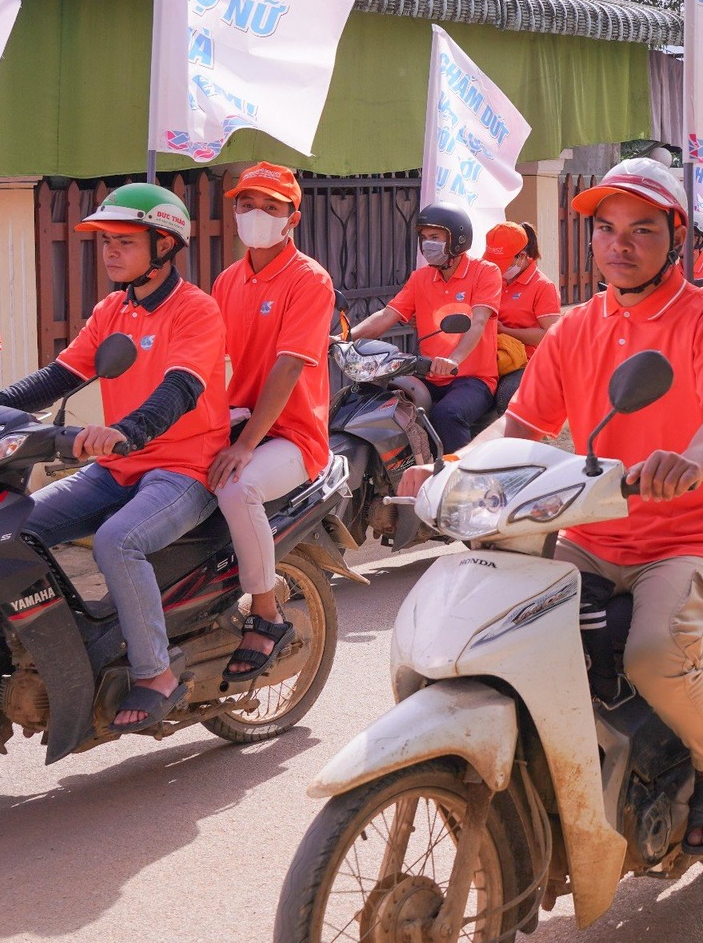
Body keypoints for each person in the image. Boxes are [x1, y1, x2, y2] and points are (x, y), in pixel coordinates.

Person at [503, 157, 703, 854]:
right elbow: (522, 427)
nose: (620, 243)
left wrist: (690, 462)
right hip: (589, 532)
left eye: (642, 229)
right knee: (508, 642)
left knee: (652, 653)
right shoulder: (575, 328)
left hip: (688, 535)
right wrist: (449, 470)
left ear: (675, 236)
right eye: (607, 229)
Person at [0, 185, 229, 733]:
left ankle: (156, 674)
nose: (110, 253)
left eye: (124, 241)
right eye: (106, 243)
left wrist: (127, 430)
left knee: (116, 541)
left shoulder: (196, 310)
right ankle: (67, 641)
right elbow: (60, 377)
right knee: (11, 526)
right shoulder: (112, 310)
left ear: (164, 244)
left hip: (183, 467)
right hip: (117, 467)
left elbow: (181, 389)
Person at [208, 162, 337, 681]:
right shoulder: (226, 280)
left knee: (238, 489)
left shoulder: (309, 280)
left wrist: (245, 446)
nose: (255, 214)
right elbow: (209, 363)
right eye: (246, 204)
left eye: (271, 206)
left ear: (293, 218)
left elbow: (288, 368)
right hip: (237, 422)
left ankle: (266, 611)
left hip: (293, 435)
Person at [349, 203, 500, 452]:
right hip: (428, 375)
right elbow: (387, 315)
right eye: (424, 238)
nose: (427, 244)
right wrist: (344, 338)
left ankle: (457, 482)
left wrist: (454, 360)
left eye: (435, 237)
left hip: (473, 380)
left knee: (447, 414)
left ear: (457, 239)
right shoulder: (420, 278)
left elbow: (479, 321)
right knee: (380, 405)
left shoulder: (485, 272)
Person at [487, 221, 562, 415]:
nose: (498, 268)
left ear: (521, 257)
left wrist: (505, 331)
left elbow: (550, 334)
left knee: (507, 397)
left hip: (527, 362)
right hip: (490, 355)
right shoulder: (493, 279)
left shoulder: (542, 286)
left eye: (503, 262)